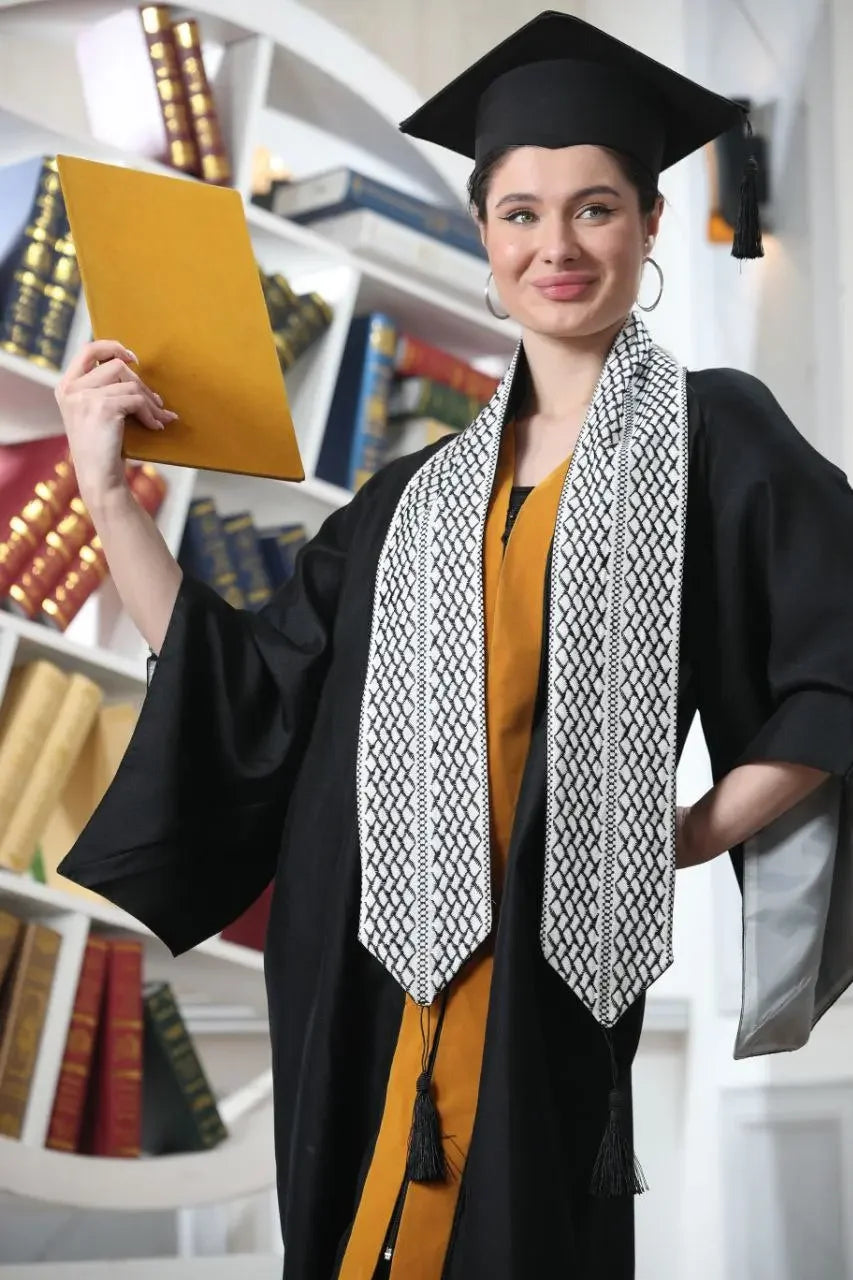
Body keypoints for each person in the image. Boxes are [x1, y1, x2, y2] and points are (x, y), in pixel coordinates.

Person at [55, 11, 853, 1280]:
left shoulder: (714, 438)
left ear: (648, 227)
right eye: (521, 211)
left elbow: (839, 658)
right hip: (361, 959)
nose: (557, 243)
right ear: (485, 237)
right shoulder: (405, 499)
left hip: (547, 970)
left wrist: (695, 828)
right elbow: (250, 685)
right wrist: (105, 492)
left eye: (595, 208)